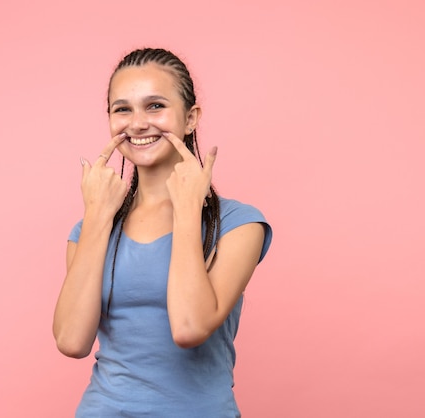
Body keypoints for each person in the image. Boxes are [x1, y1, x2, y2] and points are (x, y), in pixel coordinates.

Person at [53, 47, 272, 417]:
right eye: (122, 109)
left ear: (190, 118)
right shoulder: (90, 228)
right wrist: (96, 218)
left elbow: (189, 327)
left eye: (155, 106)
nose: (137, 124)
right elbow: (72, 341)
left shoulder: (239, 223)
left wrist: (187, 209)